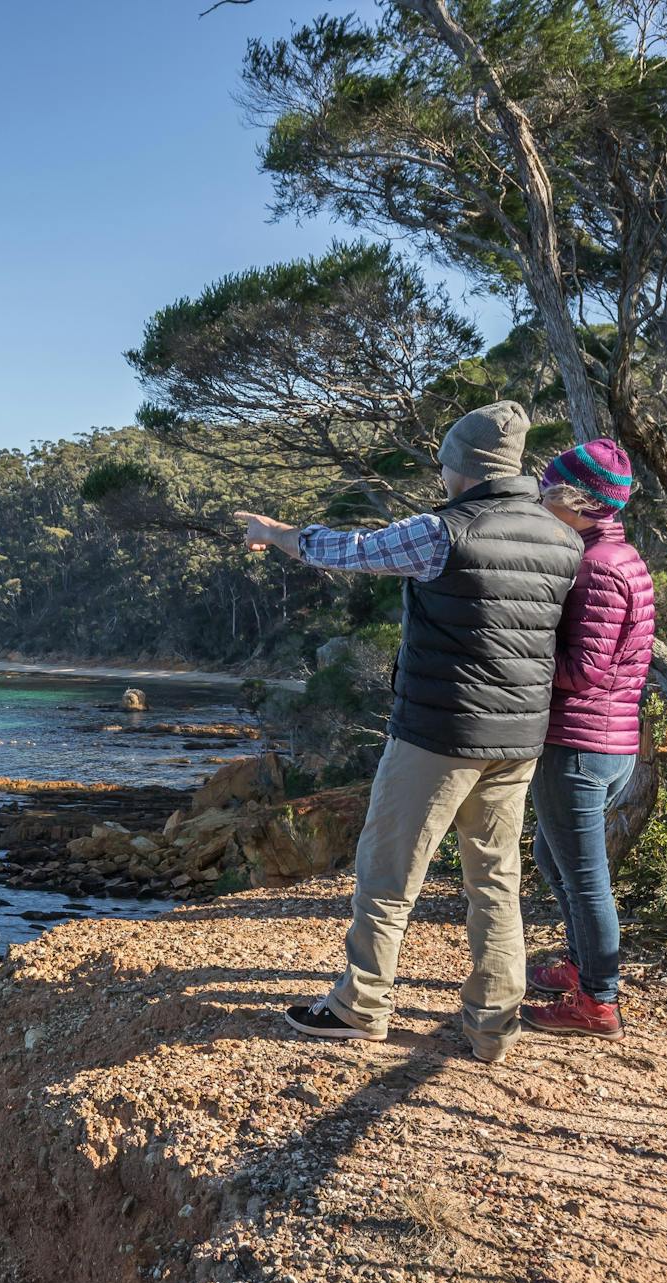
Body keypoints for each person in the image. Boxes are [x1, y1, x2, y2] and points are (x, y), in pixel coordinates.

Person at [235, 400, 583, 1063]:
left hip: (438, 731)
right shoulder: (563, 538)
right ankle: (493, 1026)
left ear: (463, 467)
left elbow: (354, 552)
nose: (443, 474)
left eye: (447, 463)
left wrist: (278, 532)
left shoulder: (444, 531)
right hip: (517, 738)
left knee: (388, 874)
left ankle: (359, 1006)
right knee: (495, 879)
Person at [522, 441, 655, 1040]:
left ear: (579, 502)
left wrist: (519, 651)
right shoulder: (615, 554)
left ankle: (598, 1001)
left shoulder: (597, 567)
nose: (541, 502)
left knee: (584, 876)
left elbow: (584, 671)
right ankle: (580, 968)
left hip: (580, 744)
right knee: (556, 857)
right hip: (609, 740)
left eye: (549, 493)